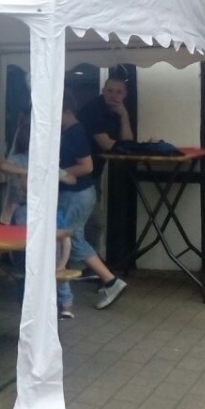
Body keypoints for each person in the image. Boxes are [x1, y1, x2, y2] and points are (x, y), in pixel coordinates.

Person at [49, 96, 127, 310]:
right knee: (73, 238)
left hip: (76, 194)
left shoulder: (75, 133)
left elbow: (87, 167)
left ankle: (110, 281)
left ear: (67, 112)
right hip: (78, 194)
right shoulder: (70, 131)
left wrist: (55, 172)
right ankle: (107, 281)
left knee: (70, 239)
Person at [0, 112, 77, 319]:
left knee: (52, 255)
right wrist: (25, 173)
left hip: (44, 211)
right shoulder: (19, 160)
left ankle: (63, 301)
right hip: (26, 211)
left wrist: (54, 174)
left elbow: (71, 179)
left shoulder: (46, 163)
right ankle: (41, 301)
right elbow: (2, 165)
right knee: (32, 256)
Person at [77, 76, 134, 277]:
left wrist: (124, 116)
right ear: (103, 90)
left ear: (125, 94)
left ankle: (89, 268)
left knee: (90, 224)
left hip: (92, 174)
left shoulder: (117, 112)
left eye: (119, 92)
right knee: (93, 223)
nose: (114, 95)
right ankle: (91, 268)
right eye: (110, 91)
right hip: (77, 175)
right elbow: (107, 144)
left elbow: (126, 142)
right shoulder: (94, 109)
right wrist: (124, 146)